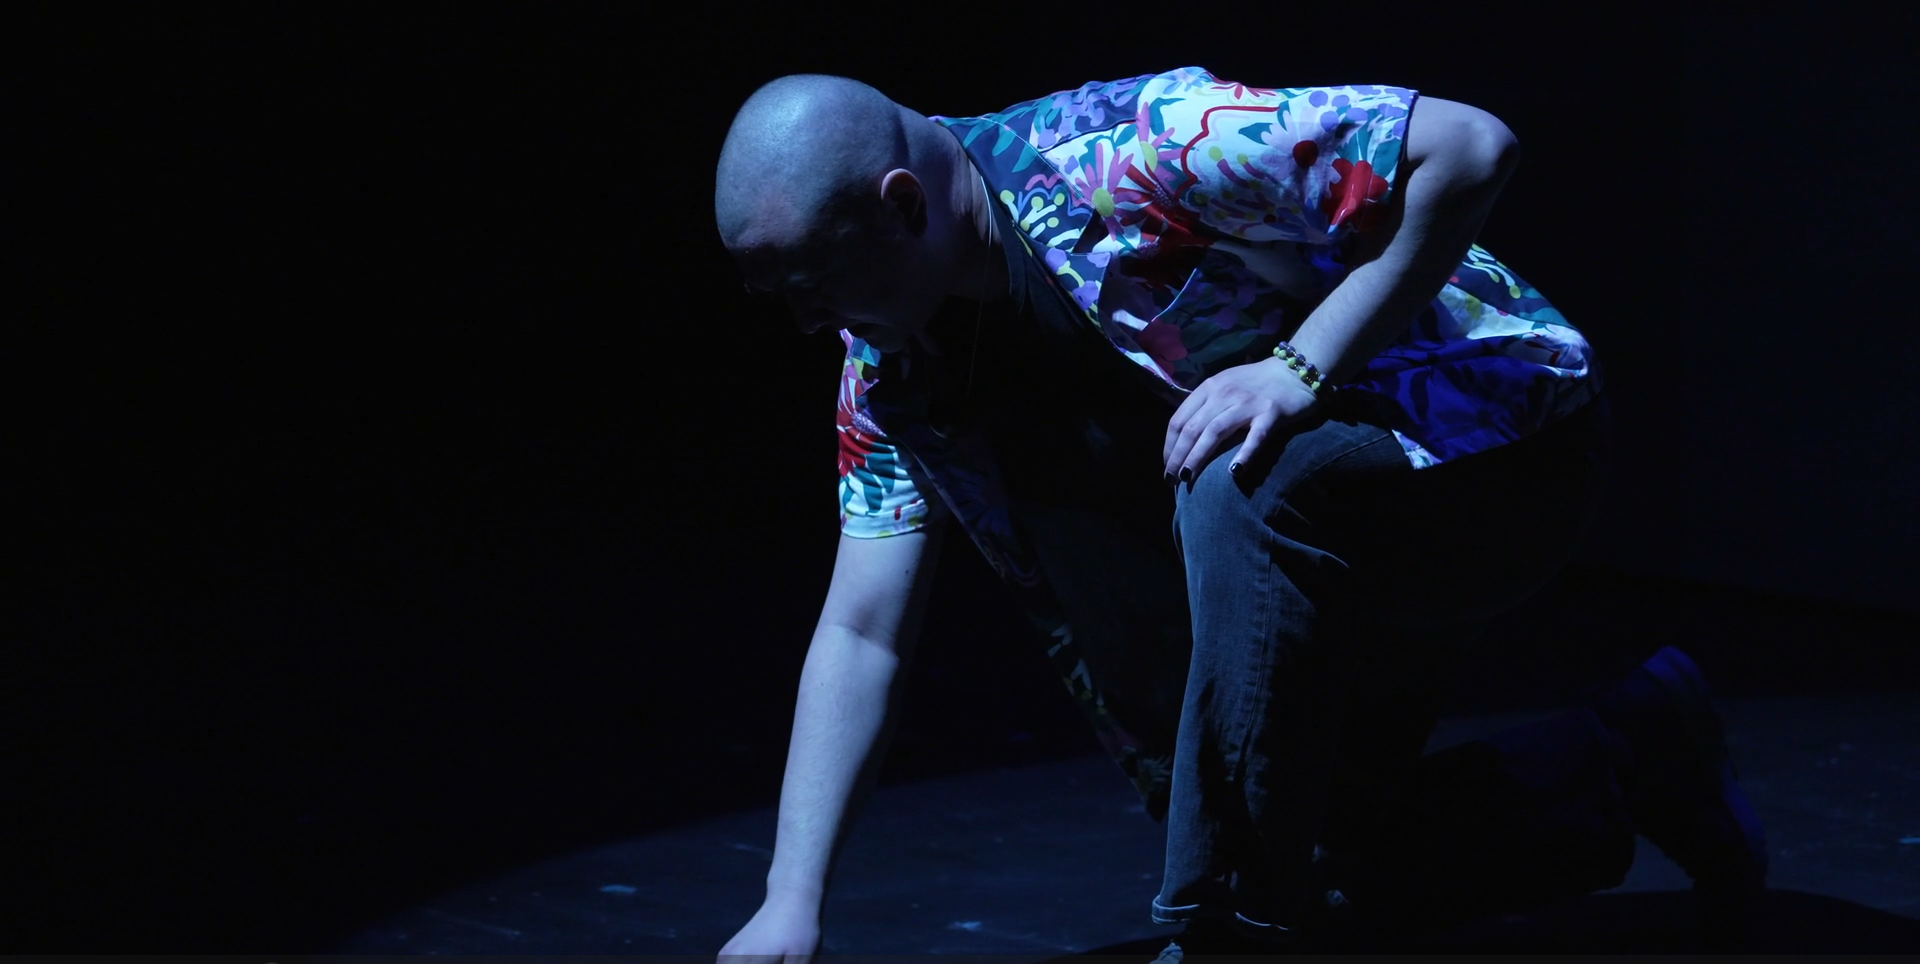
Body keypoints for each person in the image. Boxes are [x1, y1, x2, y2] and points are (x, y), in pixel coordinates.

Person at [711, 68, 1767, 960]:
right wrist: (788, 902)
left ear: (903, 203)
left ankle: (1219, 929)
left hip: (1497, 464)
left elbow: (1469, 147)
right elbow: (862, 627)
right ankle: (1633, 750)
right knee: (1340, 881)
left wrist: (1298, 368)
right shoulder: (891, 370)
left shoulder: (1133, 153)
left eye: (814, 281)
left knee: (1242, 472)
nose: (810, 322)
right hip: (1291, 580)